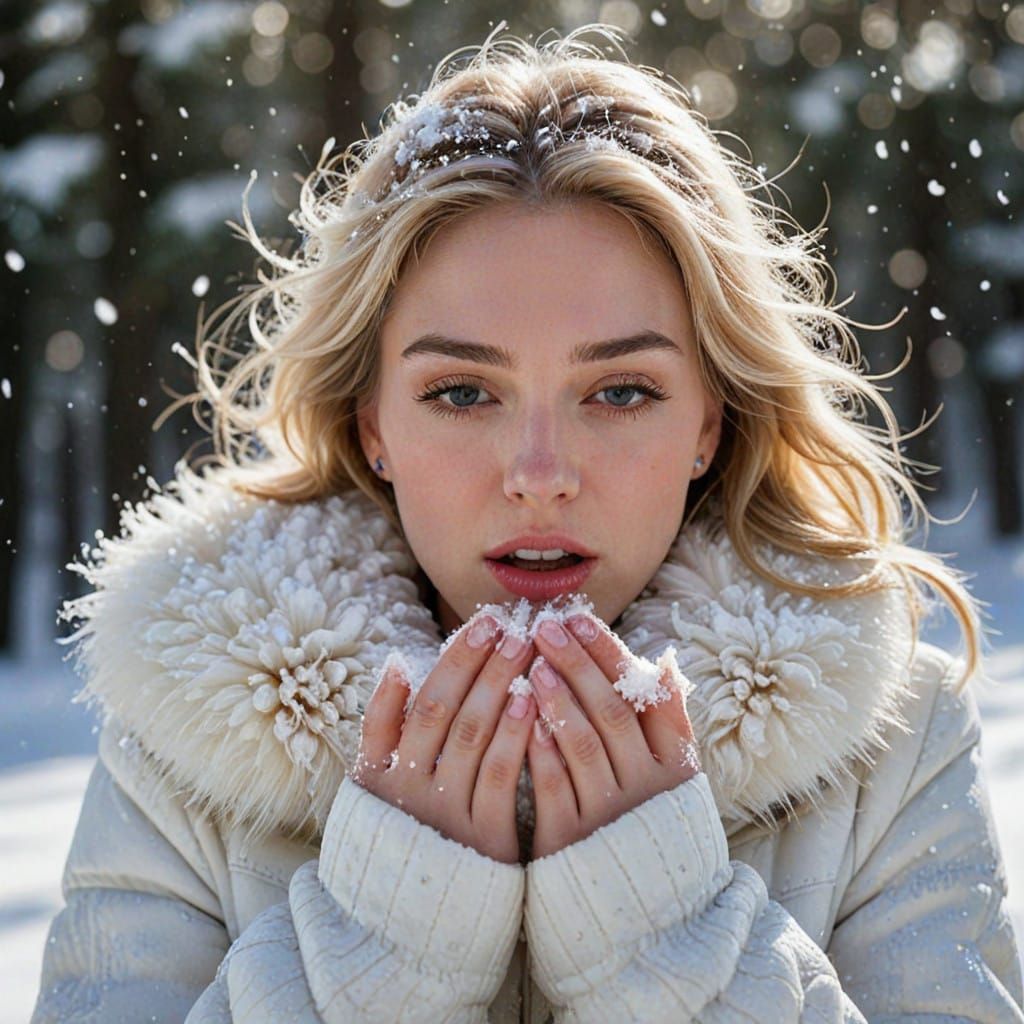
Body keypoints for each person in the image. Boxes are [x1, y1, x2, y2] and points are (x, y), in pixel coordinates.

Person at [32, 24, 1024, 1024]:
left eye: (622, 391)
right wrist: (381, 948)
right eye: (463, 392)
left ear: (708, 421)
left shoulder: (889, 746)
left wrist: (666, 942)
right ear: (373, 421)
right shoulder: (188, 747)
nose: (540, 475)